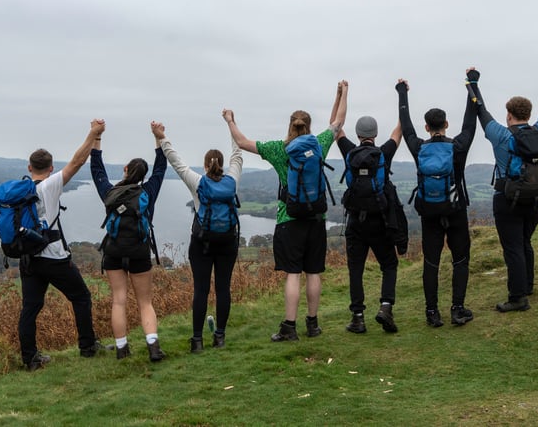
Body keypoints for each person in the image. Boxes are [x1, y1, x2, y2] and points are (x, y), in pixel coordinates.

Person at [224, 81, 348, 341]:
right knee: (313, 272)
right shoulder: (319, 144)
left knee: (294, 274)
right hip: (316, 218)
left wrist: (230, 120)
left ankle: (289, 327)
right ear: (309, 126)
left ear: (290, 125)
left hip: (289, 219)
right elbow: (338, 122)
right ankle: (313, 324)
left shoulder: (278, 149)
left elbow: (242, 142)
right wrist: (342, 93)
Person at [19, 120, 106, 371]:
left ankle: (30, 358)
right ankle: (87, 346)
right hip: (53, 256)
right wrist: (93, 133)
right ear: (50, 168)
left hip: (28, 259)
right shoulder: (50, 185)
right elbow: (77, 162)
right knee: (81, 297)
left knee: (30, 308)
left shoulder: (21, 190)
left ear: (29, 167)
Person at [470, 64, 538, 312]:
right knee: (525, 241)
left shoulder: (501, 135)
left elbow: (480, 110)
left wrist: (472, 82)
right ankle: (527, 285)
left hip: (508, 198)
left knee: (513, 248)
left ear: (509, 115)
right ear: (528, 114)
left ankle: (518, 297)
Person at [396, 78, 478, 327]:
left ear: (426, 127)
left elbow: (406, 125)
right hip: (455, 209)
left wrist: (402, 92)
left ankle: (432, 312)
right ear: (446, 124)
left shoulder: (418, 147)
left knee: (431, 262)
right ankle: (457, 309)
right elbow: (470, 121)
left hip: (429, 212)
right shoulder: (459, 146)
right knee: (460, 259)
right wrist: (471, 84)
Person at [159, 117, 243, 353]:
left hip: (202, 243)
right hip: (227, 241)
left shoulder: (198, 182)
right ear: (223, 164)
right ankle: (220, 337)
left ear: (205, 165)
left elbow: (176, 162)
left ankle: (197, 340)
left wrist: (162, 137)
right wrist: (230, 124)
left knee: (201, 289)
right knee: (223, 289)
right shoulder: (232, 181)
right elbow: (238, 154)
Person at [90, 121, 168, 362]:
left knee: (119, 301)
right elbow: (161, 168)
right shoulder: (148, 193)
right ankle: (153, 348)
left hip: (113, 251)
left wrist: (97, 137)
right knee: (145, 302)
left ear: (125, 170)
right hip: (139, 251)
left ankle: (122, 349)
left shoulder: (110, 193)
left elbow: (97, 170)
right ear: (142, 175)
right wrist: (159, 137)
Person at [337, 116, 403, 333]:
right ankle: (386, 307)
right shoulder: (383, 153)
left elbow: (336, 128)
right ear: (375, 135)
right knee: (389, 265)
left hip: (356, 221)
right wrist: (403, 96)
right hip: (380, 221)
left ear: (358, 135)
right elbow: (398, 132)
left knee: (356, 269)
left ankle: (358, 318)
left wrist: (341, 94)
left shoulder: (349, 152)